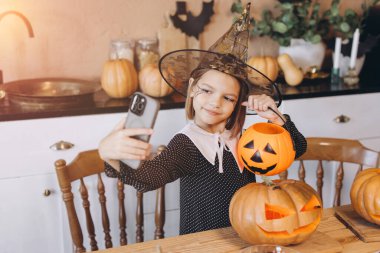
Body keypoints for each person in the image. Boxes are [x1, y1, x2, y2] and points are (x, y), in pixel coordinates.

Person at [99, 3, 307, 235]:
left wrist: (277, 120)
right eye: (207, 90)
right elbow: (148, 179)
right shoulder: (187, 145)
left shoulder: (246, 137)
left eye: (228, 97)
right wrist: (110, 154)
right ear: (192, 88)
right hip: (201, 244)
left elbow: (297, 149)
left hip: (247, 235)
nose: (215, 103)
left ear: (238, 102)